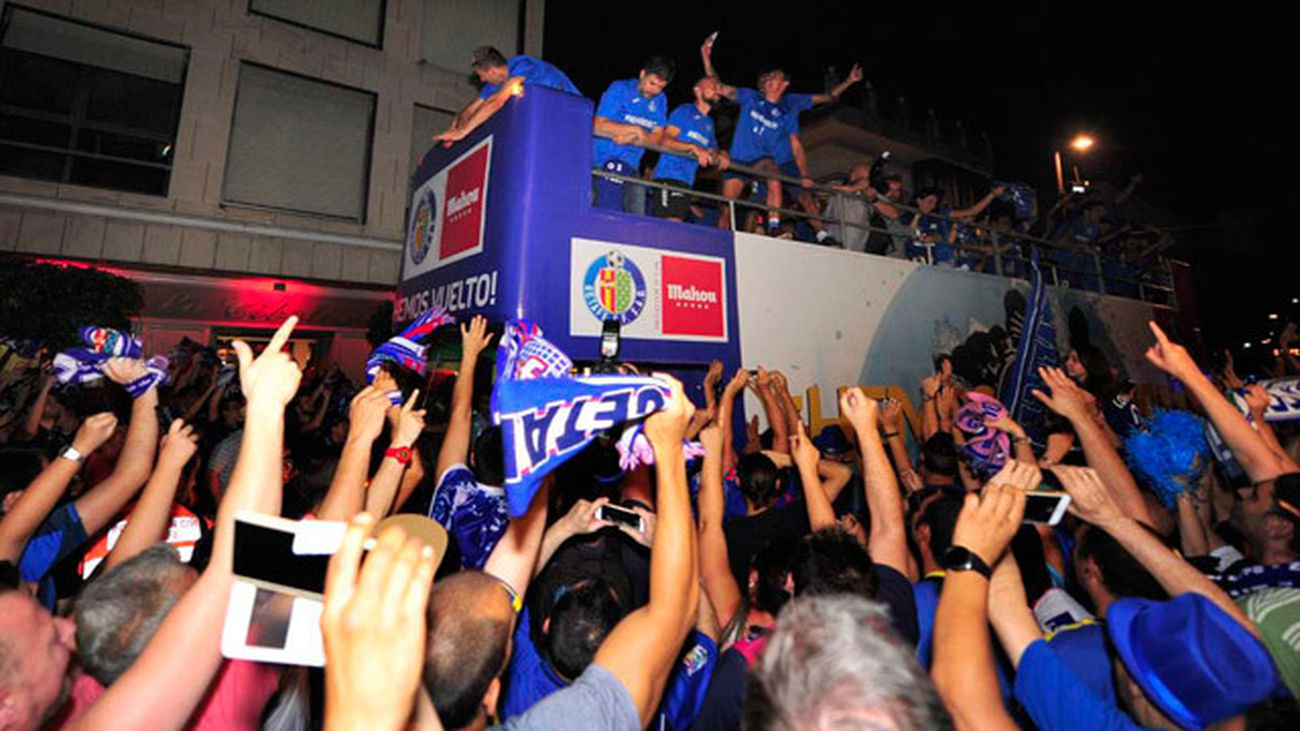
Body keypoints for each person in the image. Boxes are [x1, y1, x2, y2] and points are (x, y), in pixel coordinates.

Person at [701, 35, 862, 238]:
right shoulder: (751, 97)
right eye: (767, 77)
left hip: (767, 161)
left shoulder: (791, 103)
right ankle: (719, 241)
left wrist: (849, 81)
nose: (768, 79)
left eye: (774, 76)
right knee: (726, 205)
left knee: (781, 177)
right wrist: (706, 58)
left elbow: (828, 98)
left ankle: (789, 229)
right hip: (740, 159)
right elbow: (719, 87)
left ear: (784, 83)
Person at [427, 316, 508, 570]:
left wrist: (470, 354)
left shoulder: (455, 489)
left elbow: (460, 412)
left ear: (473, 456)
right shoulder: (522, 517)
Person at [434, 46, 579, 148]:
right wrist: (458, 127)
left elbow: (496, 102)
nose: (482, 80)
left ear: (491, 71)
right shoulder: (492, 86)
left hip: (573, 116)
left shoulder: (523, 65)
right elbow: (470, 110)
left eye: (481, 76)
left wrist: (463, 132)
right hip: (546, 123)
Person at [591, 56, 674, 214]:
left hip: (632, 166)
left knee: (637, 219)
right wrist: (637, 130)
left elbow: (657, 139)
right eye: (652, 83)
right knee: (607, 214)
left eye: (660, 87)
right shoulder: (620, 89)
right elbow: (599, 125)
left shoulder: (660, 100)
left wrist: (630, 136)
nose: (654, 90)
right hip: (602, 161)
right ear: (642, 74)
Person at [649, 76, 729, 222]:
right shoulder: (684, 111)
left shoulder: (709, 123)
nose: (717, 89)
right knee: (671, 226)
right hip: (669, 175)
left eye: (718, 87)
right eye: (712, 85)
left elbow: (712, 150)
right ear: (697, 91)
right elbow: (665, 141)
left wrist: (722, 154)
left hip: (687, 181)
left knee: (673, 229)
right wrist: (693, 147)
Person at [905, 185, 1004, 266]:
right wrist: (917, 217)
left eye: (935, 203)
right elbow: (909, 233)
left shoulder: (939, 214)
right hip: (918, 258)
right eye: (929, 201)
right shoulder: (908, 214)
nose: (932, 206)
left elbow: (972, 211)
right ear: (919, 200)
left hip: (941, 258)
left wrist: (992, 195)